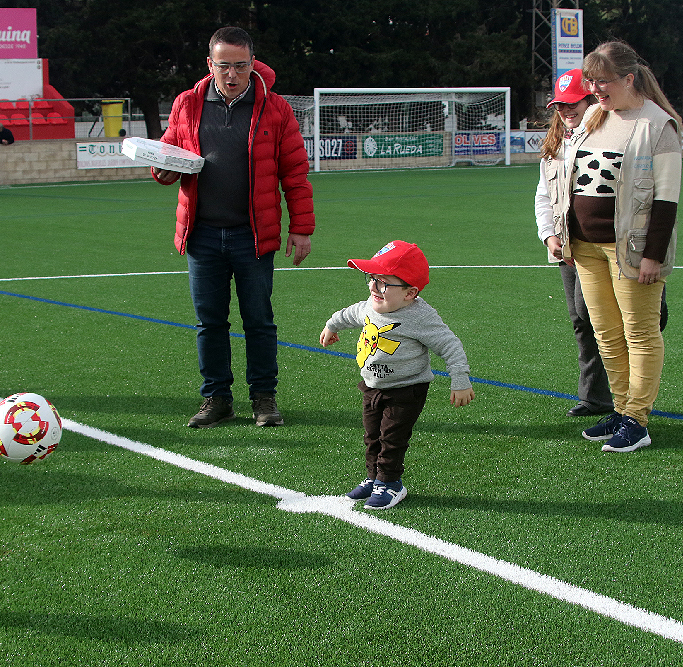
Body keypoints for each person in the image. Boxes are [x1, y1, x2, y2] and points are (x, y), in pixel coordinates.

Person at [152, 26, 315, 429]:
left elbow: (295, 173)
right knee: (209, 323)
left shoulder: (276, 108)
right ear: (210, 64)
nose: (232, 74)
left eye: (241, 66)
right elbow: (167, 155)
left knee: (259, 321)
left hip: (253, 236)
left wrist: (301, 227)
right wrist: (162, 170)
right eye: (224, 65)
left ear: (252, 63)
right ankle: (217, 399)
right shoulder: (187, 103)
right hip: (202, 235)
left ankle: (264, 398)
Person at [565, 41, 682, 454]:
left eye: (602, 81)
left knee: (640, 333)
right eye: (590, 81)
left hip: (630, 249)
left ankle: (637, 419)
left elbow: (666, 199)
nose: (594, 89)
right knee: (606, 333)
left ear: (629, 79)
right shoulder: (593, 116)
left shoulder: (658, 125)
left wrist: (653, 254)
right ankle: (620, 409)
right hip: (585, 247)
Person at [319, 241, 474, 510]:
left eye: (383, 283)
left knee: (391, 439)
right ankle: (374, 478)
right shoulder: (371, 305)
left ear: (410, 293)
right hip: (372, 385)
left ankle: (391, 483)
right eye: (372, 279)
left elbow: (450, 345)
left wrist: (460, 380)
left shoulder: (420, 316)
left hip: (406, 389)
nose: (373, 287)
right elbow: (351, 313)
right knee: (372, 436)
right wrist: (332, 325)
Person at [534, 69, 613, 418]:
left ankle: (629, 398)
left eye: (574, 103)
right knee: (581, 321)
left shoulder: (608, 137)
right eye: (561, 105)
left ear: (591, 100)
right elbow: (543, 196)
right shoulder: (555, 145)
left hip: (602, 244)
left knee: (599, 317)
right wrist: (548, 235)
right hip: (567, 246)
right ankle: (595, 398)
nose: (566, 110)